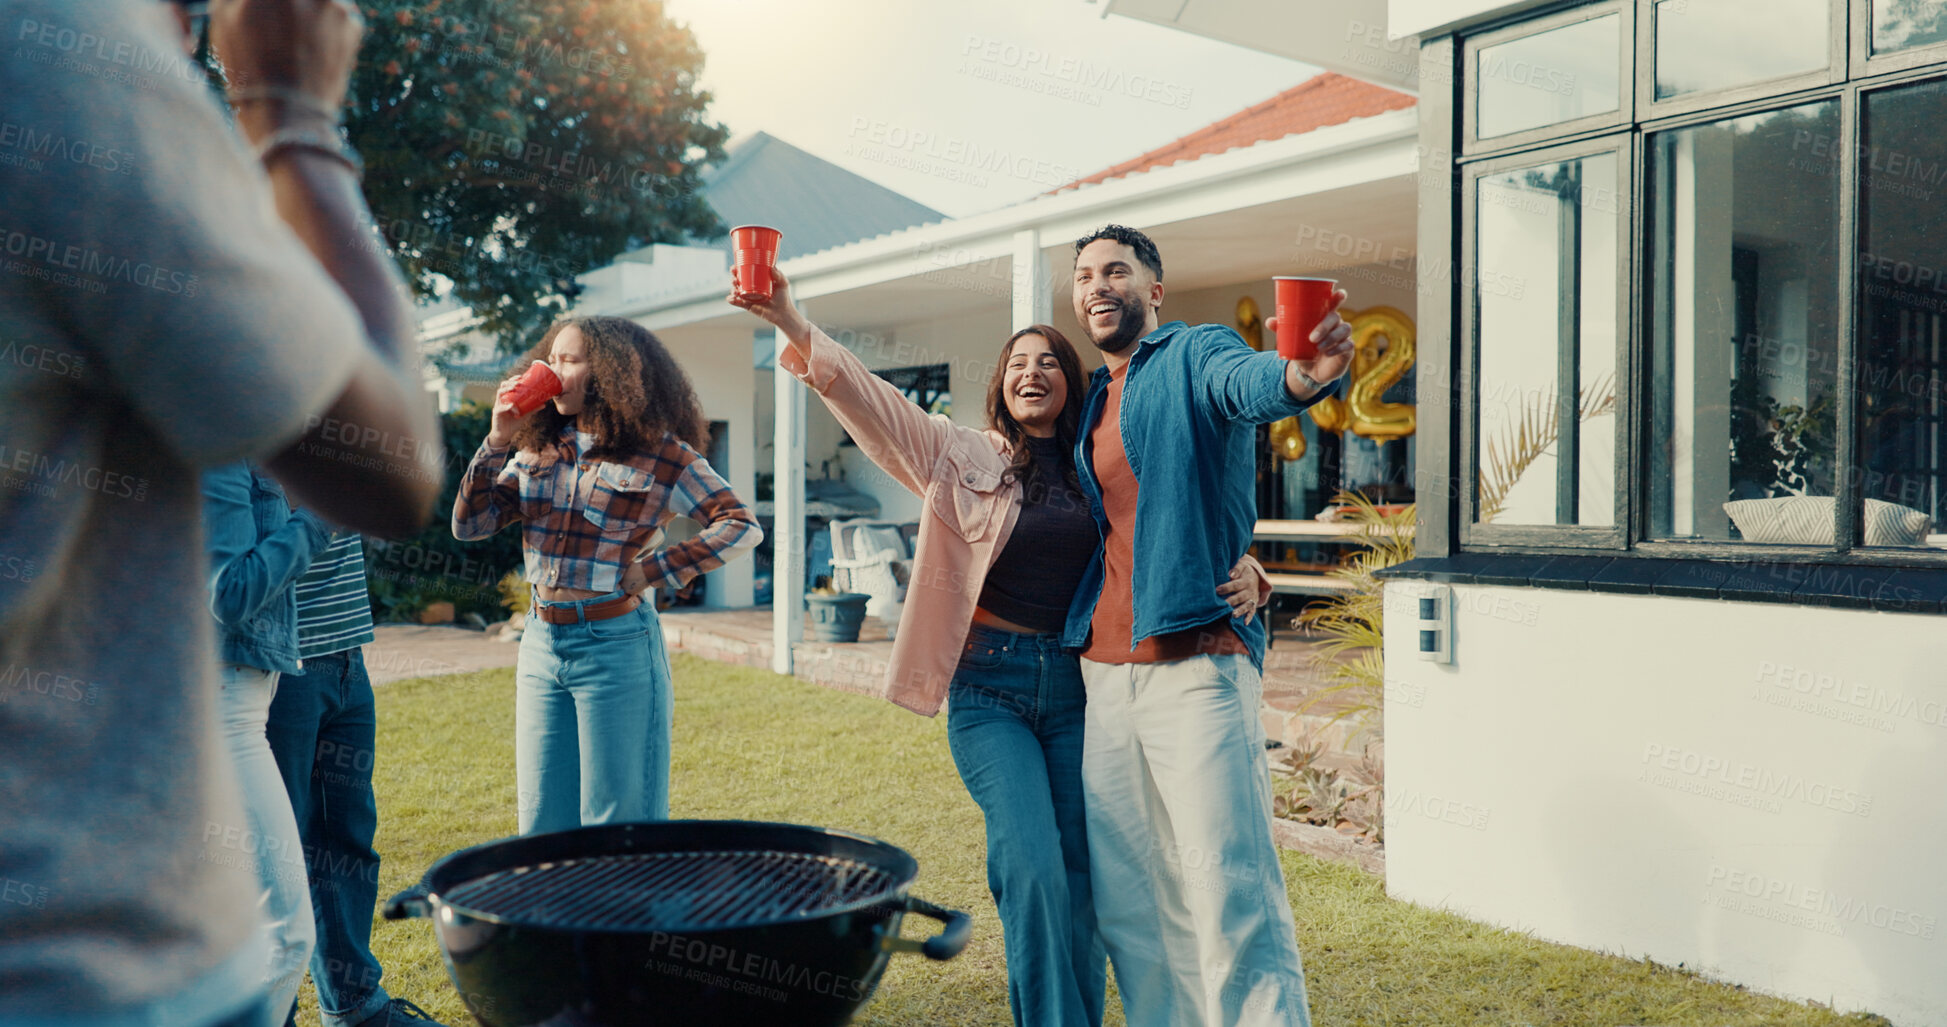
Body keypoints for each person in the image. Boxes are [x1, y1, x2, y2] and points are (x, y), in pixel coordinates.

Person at [0, 0, 443, 1022]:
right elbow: (389, 465)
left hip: (302, 671)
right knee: (283, 918)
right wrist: (291, 116)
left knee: (334, 855)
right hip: (88, 965)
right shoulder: (66, 53)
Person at [731, 268, 1273, 1027]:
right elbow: (866, 395)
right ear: (998, 386)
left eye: (1048, 360)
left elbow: (1186, 513)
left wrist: (1249, 566)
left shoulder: (1102, 465)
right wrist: (789, 317)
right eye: (1017, 362)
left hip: (1078, 688)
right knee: (1030, 866)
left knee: (1085, 878)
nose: (1031, 371)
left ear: (1071, 382)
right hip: (991, 692)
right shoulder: (957, 456)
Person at [1062, 225, 1354, 1027]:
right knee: (1136, 904)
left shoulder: (1193, 353)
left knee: (1229, 887)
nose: (1097, 285)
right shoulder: (1090, 398)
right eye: (1084, 274)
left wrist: (1301, 375)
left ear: (1152, 290)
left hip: (1194, 662)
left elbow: (1250, 383)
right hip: (1103, 673)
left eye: (1116, 270)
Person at [453, 316, 762, 835]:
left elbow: (741, 525)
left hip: (616, 646)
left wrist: (653, 569)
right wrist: (496, 440)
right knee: (542, 829)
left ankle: (629, 918)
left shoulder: (663, 455)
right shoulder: (535, 447)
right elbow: (471, 524)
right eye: (551, 359)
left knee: (619, 829)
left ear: (610, 373)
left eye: (568, 361)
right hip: (541, 643)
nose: (553, 371)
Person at [266, 528, 449, 1027]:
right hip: (276, 661)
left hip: (346, 650)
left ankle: (354, 1006)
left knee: (345, 840)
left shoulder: (329, 448)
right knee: (269, 854)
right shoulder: (254, 448)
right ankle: (270, 1013)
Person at [201, 462, 338, 1022]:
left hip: (240, 703)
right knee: (286, 934)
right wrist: (320, 519)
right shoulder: (223, 463)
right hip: (225, 710)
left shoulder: (252, 458)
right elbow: (228, 592)